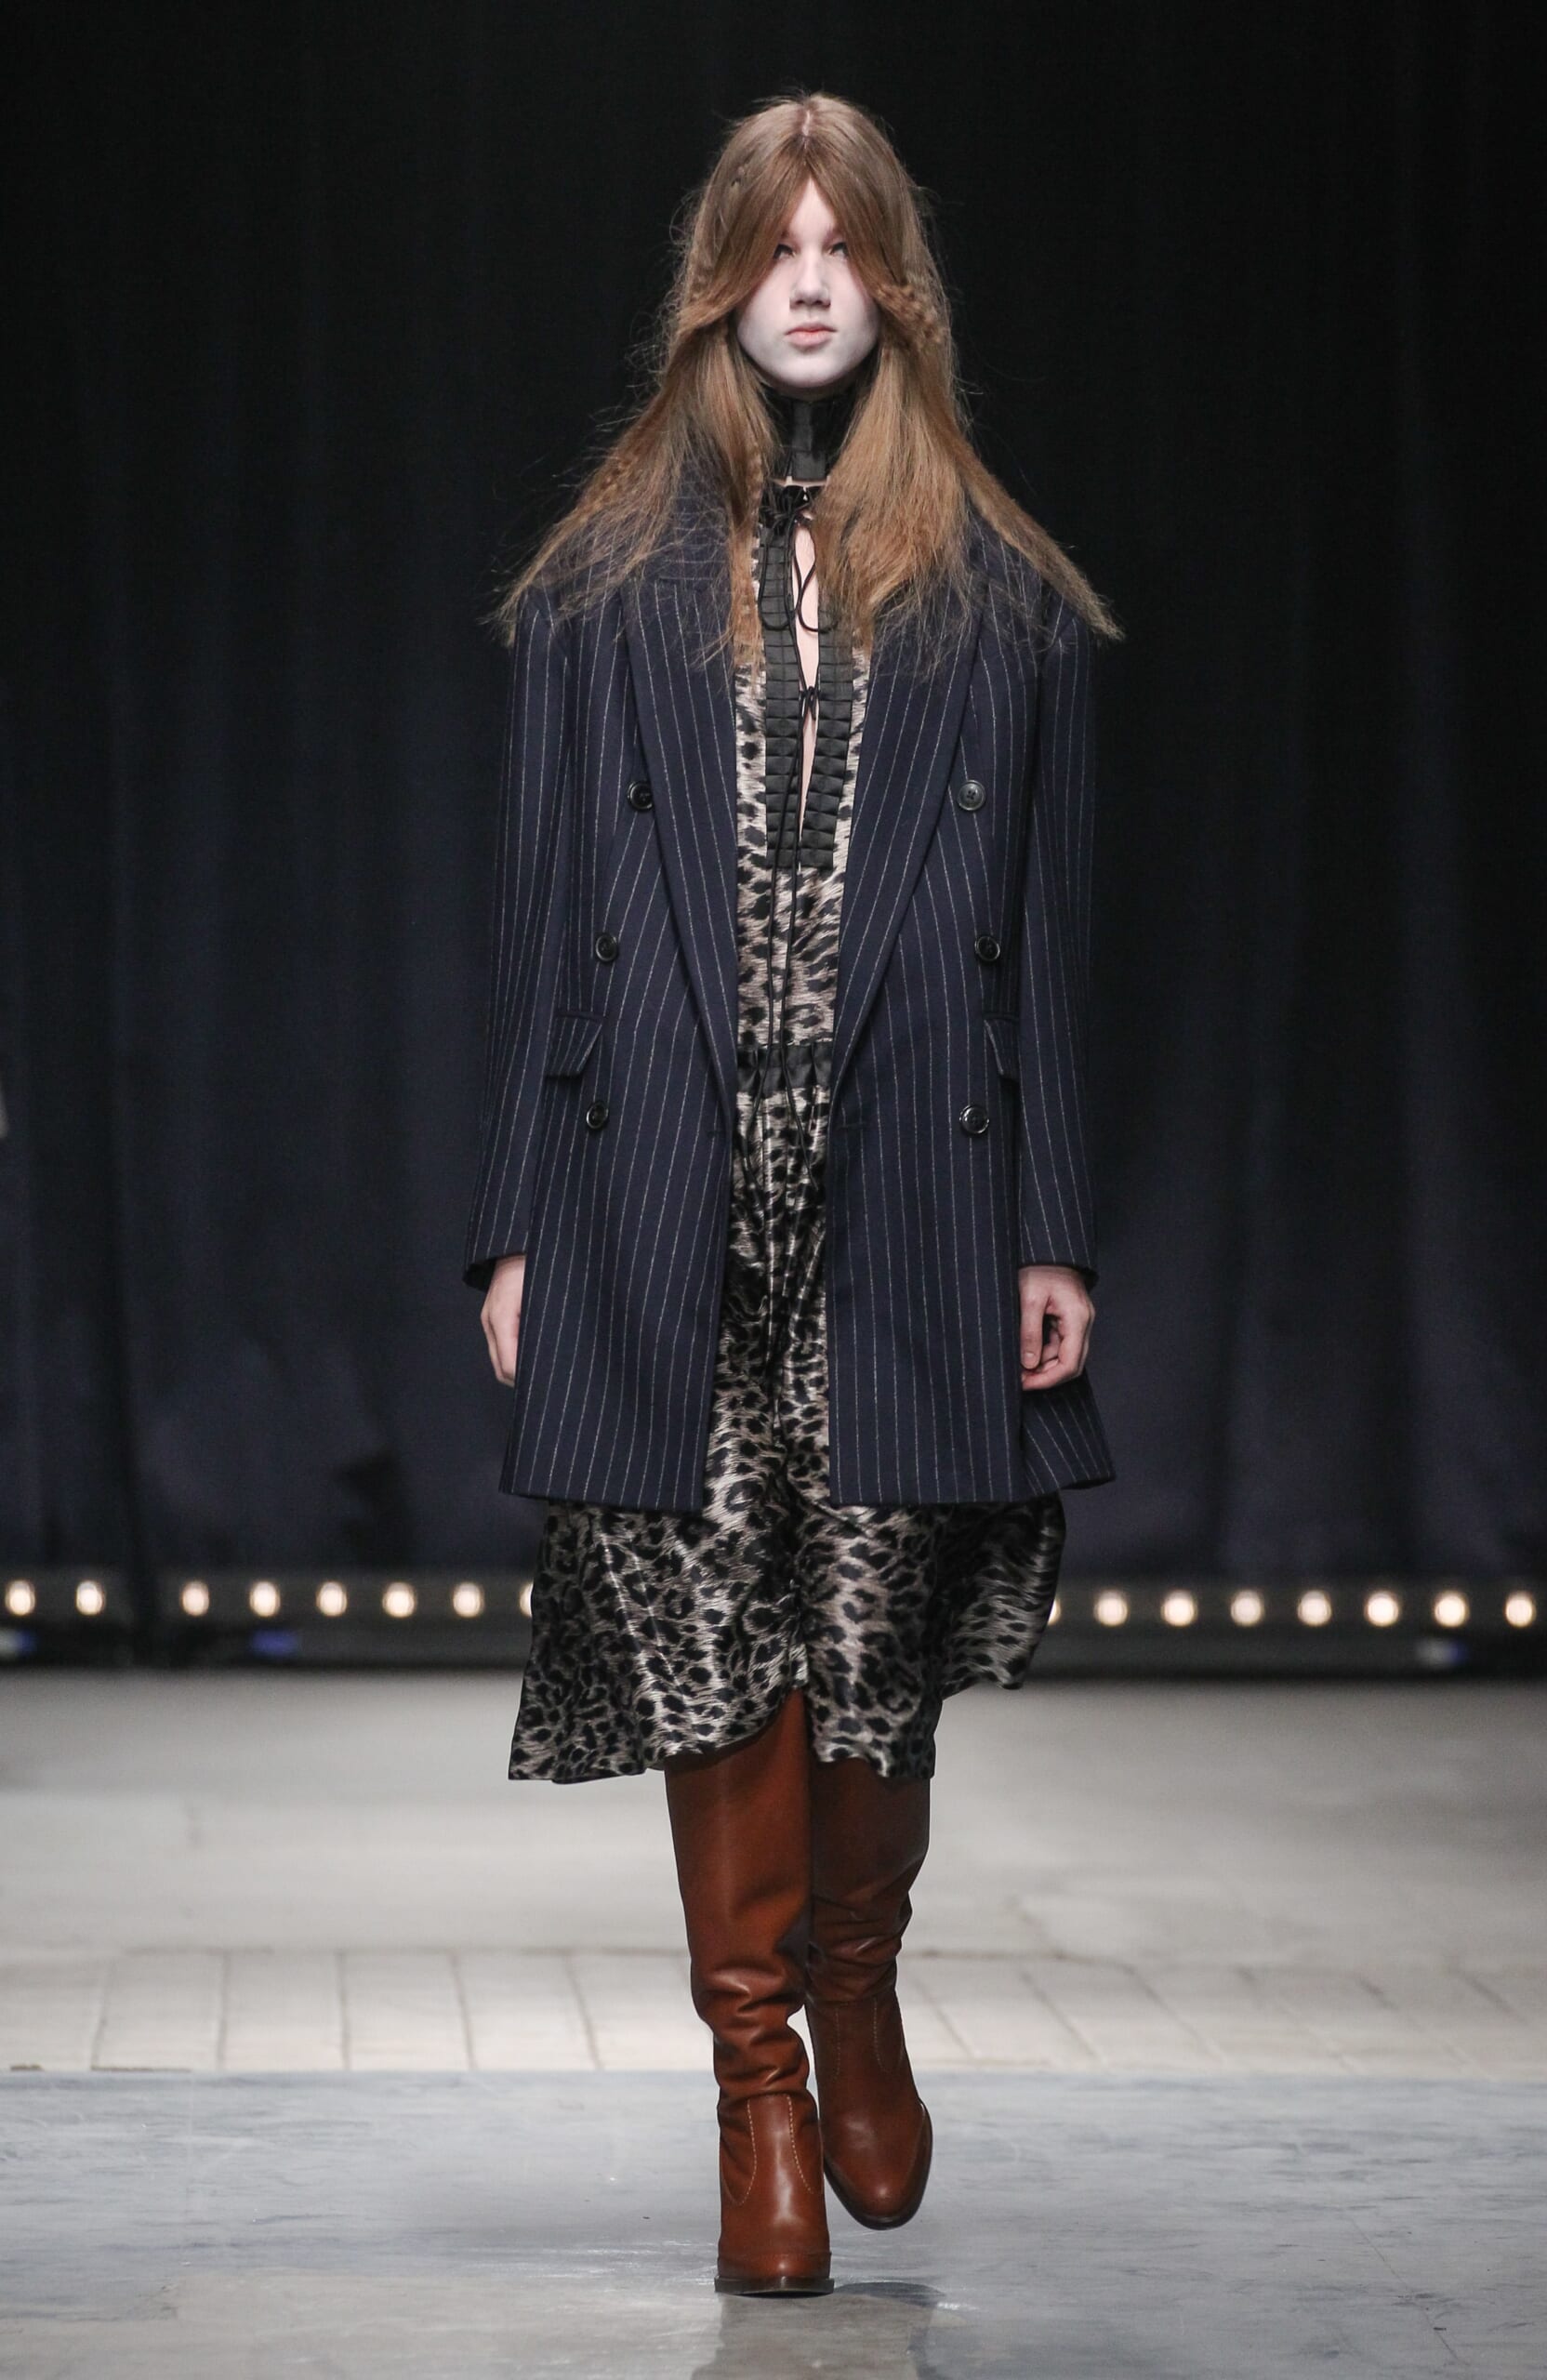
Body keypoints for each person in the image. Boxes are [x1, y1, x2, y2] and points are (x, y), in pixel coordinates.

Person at [465, 91, 1121, 2295]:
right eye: (776, 246)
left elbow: (1041, 942)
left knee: (867, 1642)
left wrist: (1049, 1220)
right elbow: (543, 935)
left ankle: (854, 1975)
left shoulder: (1003, 603)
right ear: (718, 283)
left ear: (896, 282)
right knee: (706, 1638)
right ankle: (752, 2079)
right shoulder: (596, 594)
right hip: (663, 1185)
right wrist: (516, 1223)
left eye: (845, 247)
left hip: (908, 1191)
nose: (811, 282)